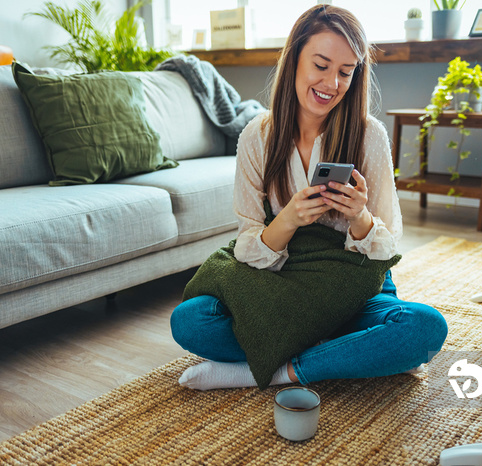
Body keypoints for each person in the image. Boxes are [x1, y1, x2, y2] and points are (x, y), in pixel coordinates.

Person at [170, 4, 447, 390]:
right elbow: (250, 240)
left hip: (352, 288)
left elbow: (387, 247)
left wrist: (360, 217)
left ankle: (276, 370)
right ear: (294, 57)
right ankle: (340, 354)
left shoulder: (369, 136)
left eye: (346, 72)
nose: (332, 83)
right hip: (283, 284)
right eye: (321, 65)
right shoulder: (257, 137)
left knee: (424, 328)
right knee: (190, 321)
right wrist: (289, 219)